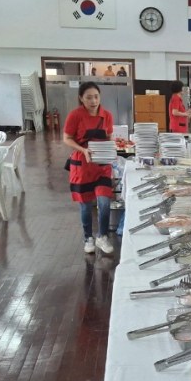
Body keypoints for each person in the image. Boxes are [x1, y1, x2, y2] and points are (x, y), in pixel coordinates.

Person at [63, 82, 116, 255]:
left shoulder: (106, 115)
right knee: (85, 205)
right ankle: (88, 238)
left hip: (102, 165)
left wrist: (112, 150)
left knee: (104, 202)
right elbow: (67, 138)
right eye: (88, 98)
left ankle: (102, 236)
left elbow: (109, 136)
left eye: (96, 97)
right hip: (82, 165)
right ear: (81, 98)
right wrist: (83, 149)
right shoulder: (75, 115)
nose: (93, 101)